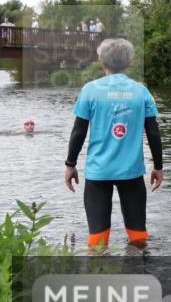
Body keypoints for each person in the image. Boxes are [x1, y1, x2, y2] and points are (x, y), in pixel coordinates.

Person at [64, 38, 163, 248]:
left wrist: (70, 164)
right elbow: (153, 133)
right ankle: (138, 265)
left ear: (102, 61)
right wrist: (158, 166)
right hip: (132, 173)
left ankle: (98, 266)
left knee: (97, 240)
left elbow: (79, 132)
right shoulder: (141, 91)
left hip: (98, 173)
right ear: (129, 62)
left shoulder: (90, 90)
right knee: (138, 236)